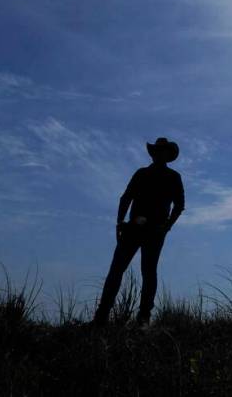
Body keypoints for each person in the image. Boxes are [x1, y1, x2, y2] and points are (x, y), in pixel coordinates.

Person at [92, 137, 185, 326]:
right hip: (133, 228)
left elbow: (179, 205)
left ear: (167, 155)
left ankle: (143, 319)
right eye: (157, 151)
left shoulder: (173, 177)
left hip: (154, 231)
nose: (158, 154)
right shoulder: (142, 174)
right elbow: (125, 198)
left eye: (162, 151)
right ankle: (101, 317)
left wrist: (166, 227)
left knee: (147, 272)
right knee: (117, 271)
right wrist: (120, 222)